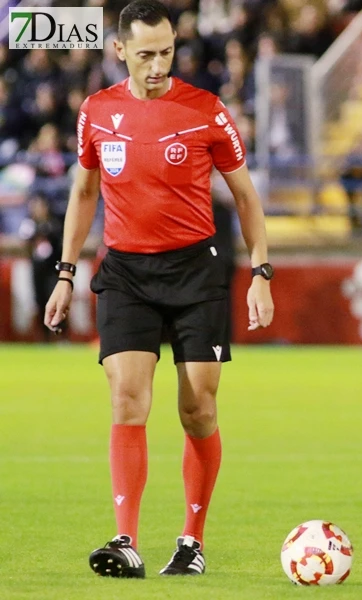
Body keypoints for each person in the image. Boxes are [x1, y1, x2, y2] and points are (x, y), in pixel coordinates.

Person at [43, 0, 274, 578]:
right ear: (119, 50)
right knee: (127, 397)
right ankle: (126, 540)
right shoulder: (96, 112)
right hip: (124, 272)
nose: (157, 65)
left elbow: (246, 196)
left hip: (197, 272)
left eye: (166, 51)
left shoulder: (205, 111)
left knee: (197, 408)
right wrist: (66, 274)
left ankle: (191, 542)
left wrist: (261, 274)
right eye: (145, 54)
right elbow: (83, 194)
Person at [19, 195, 63, 341]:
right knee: (40, 300)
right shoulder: (29, 224)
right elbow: (25, 243)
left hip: (52, 269)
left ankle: (61, 334)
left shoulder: (54, 224)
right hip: (37, 269)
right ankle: (44, 336)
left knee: (55, 300)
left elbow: (59, 244)